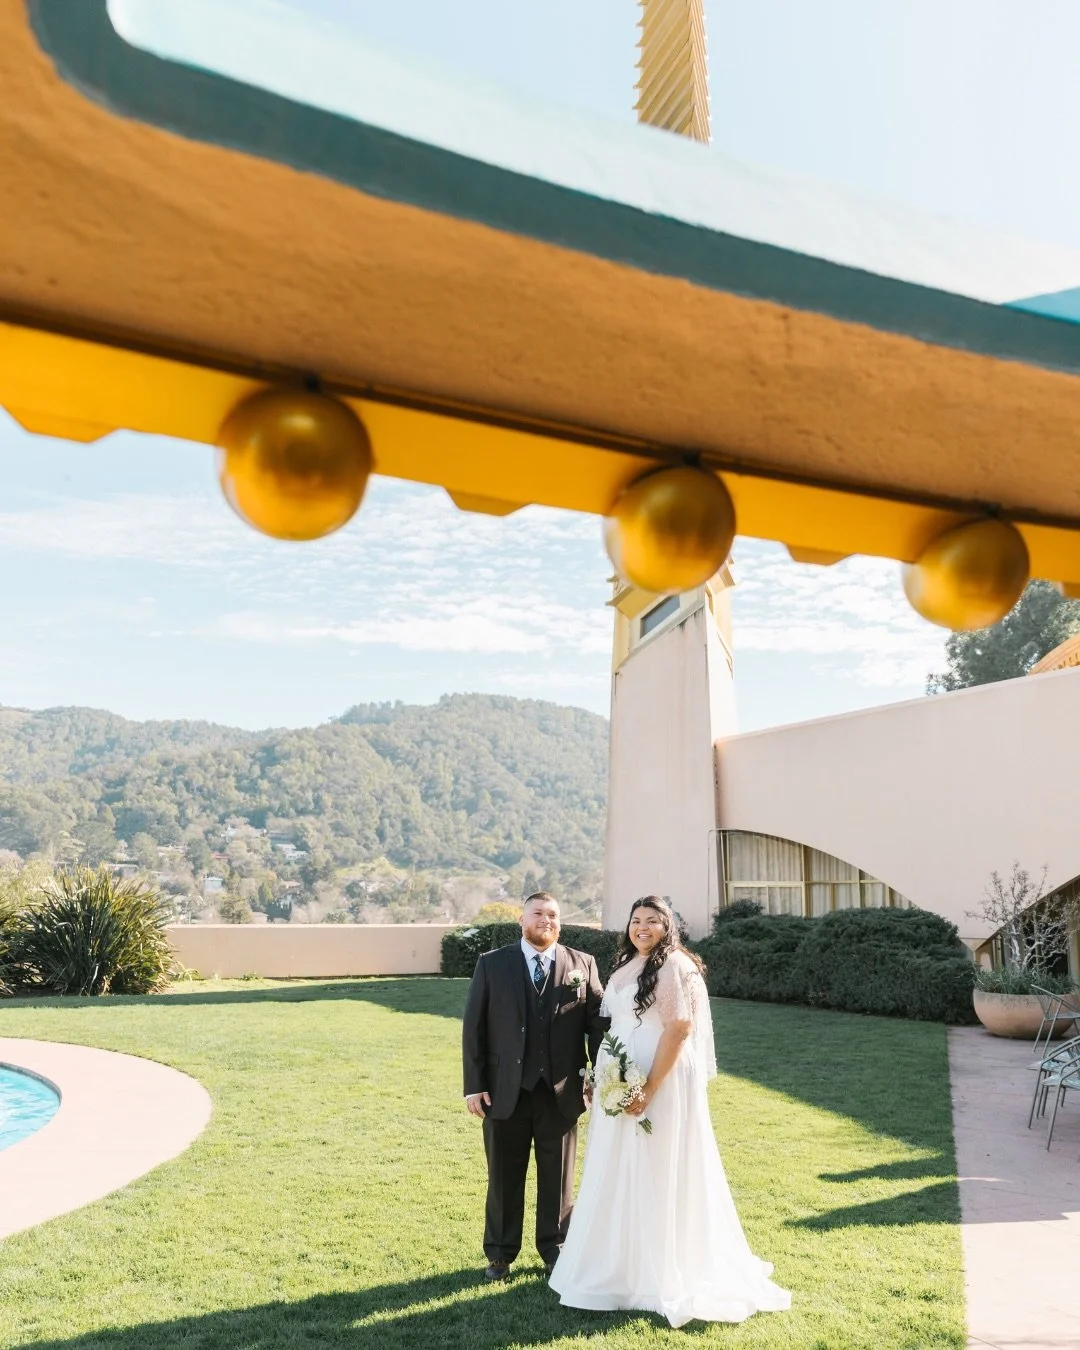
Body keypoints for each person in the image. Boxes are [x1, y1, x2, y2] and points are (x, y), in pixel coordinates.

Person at [549, 895, 791, 1327]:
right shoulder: (628, 964)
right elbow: (616, 1025)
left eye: (652, 921)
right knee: (619, 1165)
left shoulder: (674, 966)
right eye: (635, 920)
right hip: (619, 1076)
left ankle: (655, 1270)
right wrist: (602, 1077)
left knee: (656, 1165)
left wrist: (648, 1087)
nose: (642, 927)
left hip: (657, 1077)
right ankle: (617, 1261)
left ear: (668, 927)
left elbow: (679, 1029)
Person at [462, 891, 608, 1280]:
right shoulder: (492, 964)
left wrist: (596, 1075)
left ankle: (555, 1249)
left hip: (561, 1093)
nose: (547, 920)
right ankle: (499, 1253)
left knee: (558, 1179)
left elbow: (598, 1026)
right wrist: (473, 1086)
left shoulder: (583, 964)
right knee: (503, 1177)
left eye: (554, 915)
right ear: (522, 921)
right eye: (539, 913)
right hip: (502, 1091)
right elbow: (474, 1028)